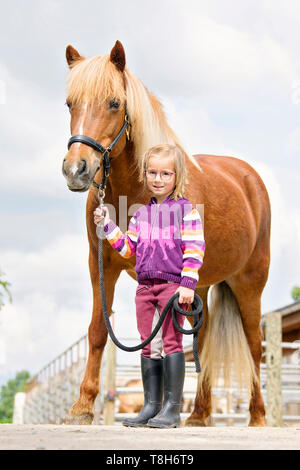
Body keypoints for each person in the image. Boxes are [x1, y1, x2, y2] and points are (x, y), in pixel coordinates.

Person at [94, 144, 205, 428]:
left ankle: (172, 408)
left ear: (177, 176)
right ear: (145, 175)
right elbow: (128, 249)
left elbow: (194, 249)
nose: (158, 179)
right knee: (148, 345)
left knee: (171, 343)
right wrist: (108, 226)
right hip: (144, 288)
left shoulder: (187, 211)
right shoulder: (139, 215)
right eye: (152, 172)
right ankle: (151, 405)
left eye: (165, 174)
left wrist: (188, 284)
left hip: (171, 287)